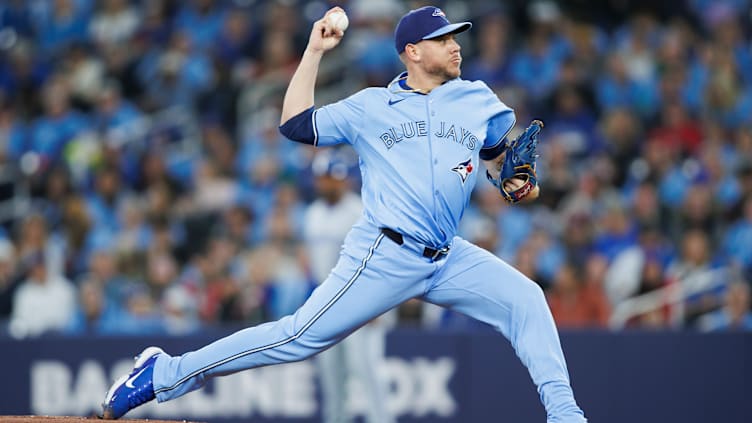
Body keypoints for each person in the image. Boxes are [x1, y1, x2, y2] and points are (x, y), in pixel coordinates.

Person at [101, 6, 587, 422]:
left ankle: (565, 414)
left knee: (526, 298)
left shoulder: (478, 99)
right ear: (412, 51)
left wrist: (514, 180)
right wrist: (314, 51)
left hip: (447, 257)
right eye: (442, 40)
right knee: (296, 338)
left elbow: (498, 158)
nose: (455, 46)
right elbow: (294, 124)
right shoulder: (371, 107)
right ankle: (165, 372)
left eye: (455, 38)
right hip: (385, 252)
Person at [303, 150, 394, 423]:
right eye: (326, 178)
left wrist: (375, 304)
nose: (331, 183)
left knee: (368, 374)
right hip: (327, 302)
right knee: (332, 378)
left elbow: (380, 257)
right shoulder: (313, 213)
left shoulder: (360, 209)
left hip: (360, 301)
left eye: (336, 178)